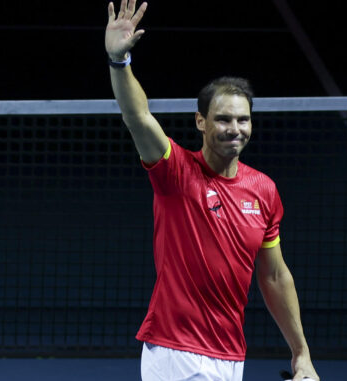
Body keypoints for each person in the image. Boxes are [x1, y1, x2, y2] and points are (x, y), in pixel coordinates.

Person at [104, 1, 320, 380]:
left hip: (230, 354)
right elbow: (137, 116)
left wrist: (300, 353)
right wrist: (119, 62)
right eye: (222, 119)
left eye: (243, 119)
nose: (234, 128)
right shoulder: (175, 172)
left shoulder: (263, 190)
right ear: (201, 121)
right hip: (176, 351)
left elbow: (273, 276)